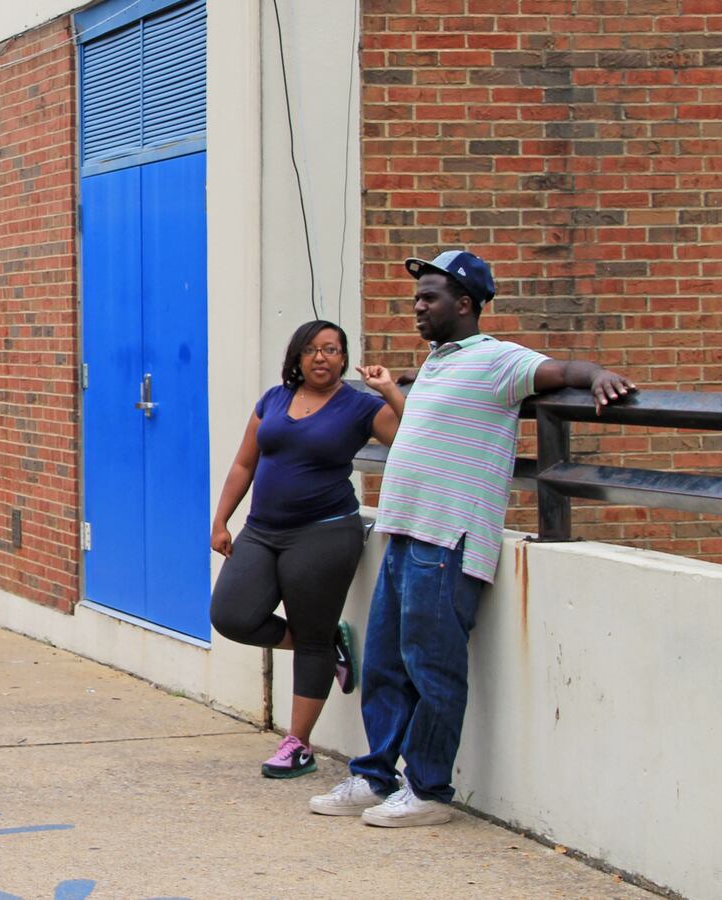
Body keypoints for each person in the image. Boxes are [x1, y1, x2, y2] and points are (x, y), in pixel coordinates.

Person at [310, 249, 636, 827]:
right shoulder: (436, 361)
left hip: (448, 539)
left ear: (465, 304)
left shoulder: (498, 360)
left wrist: (598, 376)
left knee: (431, 667)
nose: (417, 306)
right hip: (403, 531)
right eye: (417, 296)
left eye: (429, 296)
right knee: (385, 663)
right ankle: (375, 774)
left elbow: (559, 371)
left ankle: (430, 791)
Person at [209, 320, 402, 779]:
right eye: (313, 349)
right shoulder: (274, 399)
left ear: (343, 358)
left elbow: (408, 437)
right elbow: (244, 461)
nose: (322, 357)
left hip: (325, 532)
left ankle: (298, 744)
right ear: (296, 356)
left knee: (309, 637)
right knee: (232, 614)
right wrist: (221, 519)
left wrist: (391, 390)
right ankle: (326, 642)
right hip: (262, 529)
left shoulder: (359, 406)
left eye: (333, 350)